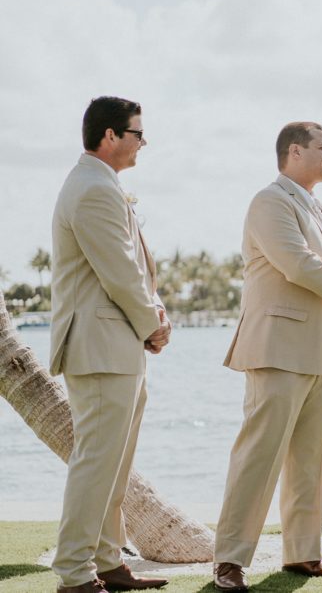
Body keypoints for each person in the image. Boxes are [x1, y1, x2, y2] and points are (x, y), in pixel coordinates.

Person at [212, 121, 322, 592]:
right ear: (294, 152)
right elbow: (298, 264)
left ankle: (304, 552)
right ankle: (230, 560)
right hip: (277, 348)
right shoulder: (269, 201)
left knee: (313, 458)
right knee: (259, 455)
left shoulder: (316, 207)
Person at [50, 96, 173, 593]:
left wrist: (154, 312)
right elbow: (119, 271)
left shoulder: (103, 185)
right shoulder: (93, 188)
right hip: (100, 346)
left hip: (114, 344)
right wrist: (152, 323)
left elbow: (131, 269)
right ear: (110, 136)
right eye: (139, 133)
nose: (144, 143)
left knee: (113, 464)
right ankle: (74, 572)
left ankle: (105, 560)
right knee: (97, 462)